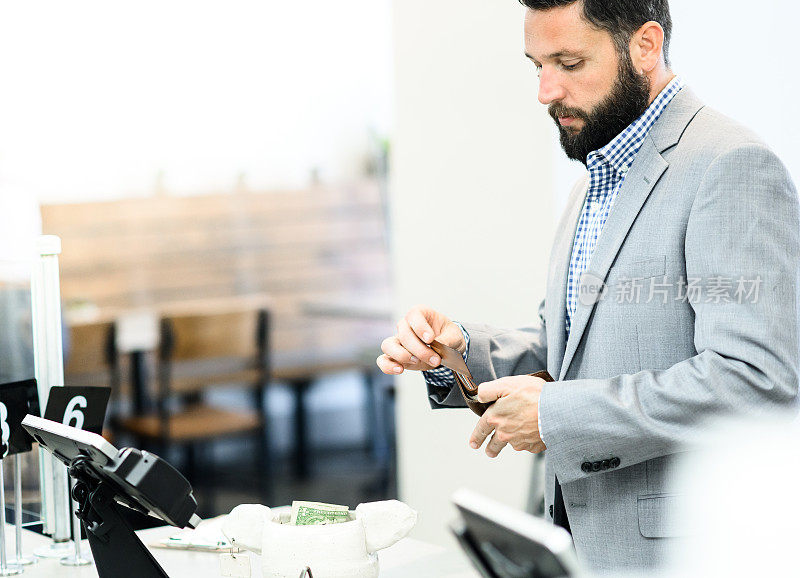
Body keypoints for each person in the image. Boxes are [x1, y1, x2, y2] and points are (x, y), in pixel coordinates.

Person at [377, 0, 800, 572]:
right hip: (576, 542)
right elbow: (570, 347)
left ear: (646, 46)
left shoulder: (732, 166)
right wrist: (459, 352)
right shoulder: (595, 174)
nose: (546, 91)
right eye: (537, 66)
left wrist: (557, 416)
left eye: (569, 63)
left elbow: (759, 380)